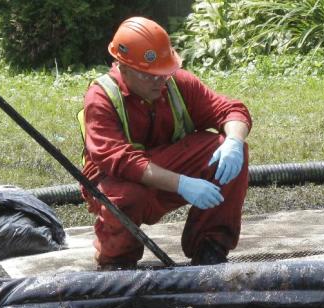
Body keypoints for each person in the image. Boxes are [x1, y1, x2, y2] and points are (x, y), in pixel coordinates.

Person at [79, 16, 251, 269]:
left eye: (164, 73)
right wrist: (182, 184)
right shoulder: (101, 98)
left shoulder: (176, 83)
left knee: (227, 151)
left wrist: (234, 142)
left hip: (160, 166)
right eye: (150, 76)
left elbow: (231, 110)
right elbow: (121, 161)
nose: (160, 82)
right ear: (123, 67)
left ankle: (210, 247)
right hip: (115, 180)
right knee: (128, 196)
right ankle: (116, 259)